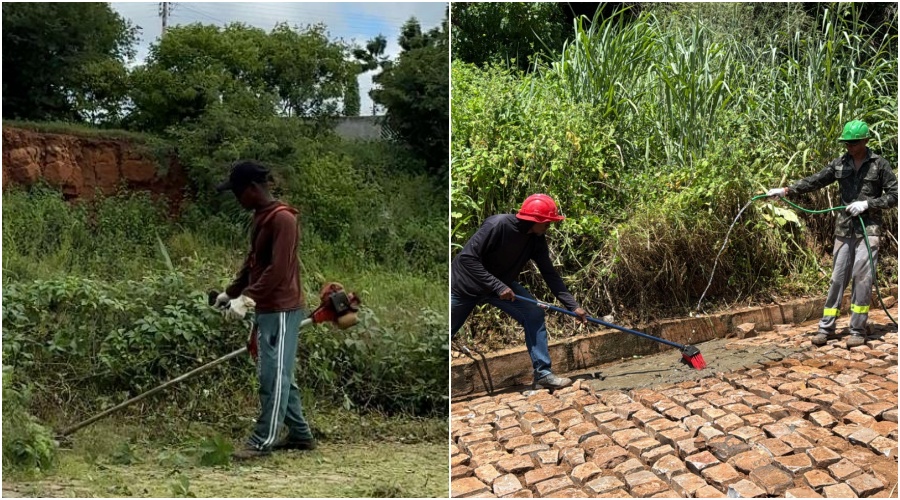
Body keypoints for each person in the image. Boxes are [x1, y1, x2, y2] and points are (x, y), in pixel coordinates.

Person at [214, 160, 317, 460]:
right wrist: (230, 293)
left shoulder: (284, 219)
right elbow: (254, 264)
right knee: (280, 374)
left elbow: (279, 270)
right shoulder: (262, 216)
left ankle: (262, 440)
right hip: (267, 308)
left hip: (283, 308)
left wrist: (248, 299)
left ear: (252, 189)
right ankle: (300, 434)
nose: (236, 199)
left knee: (274, 377)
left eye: (237, 193)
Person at [767, 120, 898, 347]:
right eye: (846, 143)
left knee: (862, 278)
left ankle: (857, 330)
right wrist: (786, 190)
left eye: (854, 143)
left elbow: (895, 195)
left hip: (869, 230)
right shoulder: (840, 164)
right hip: (844, 229)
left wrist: (868, 204)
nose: (850, 147)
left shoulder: (880, 165)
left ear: (865, 141)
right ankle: (826, 328)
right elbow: (816, 180)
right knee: (837, 279)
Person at [451, 194, 588, 389]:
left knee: (533, 314)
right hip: (465, 287)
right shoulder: (498, 225)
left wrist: (573, 306)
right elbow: (467, 259)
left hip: (499, 285)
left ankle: (543, 374)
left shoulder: (536, 239)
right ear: (535, 220)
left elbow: (549, 273)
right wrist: (498, 286)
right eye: (547, 222)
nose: (550, 226)